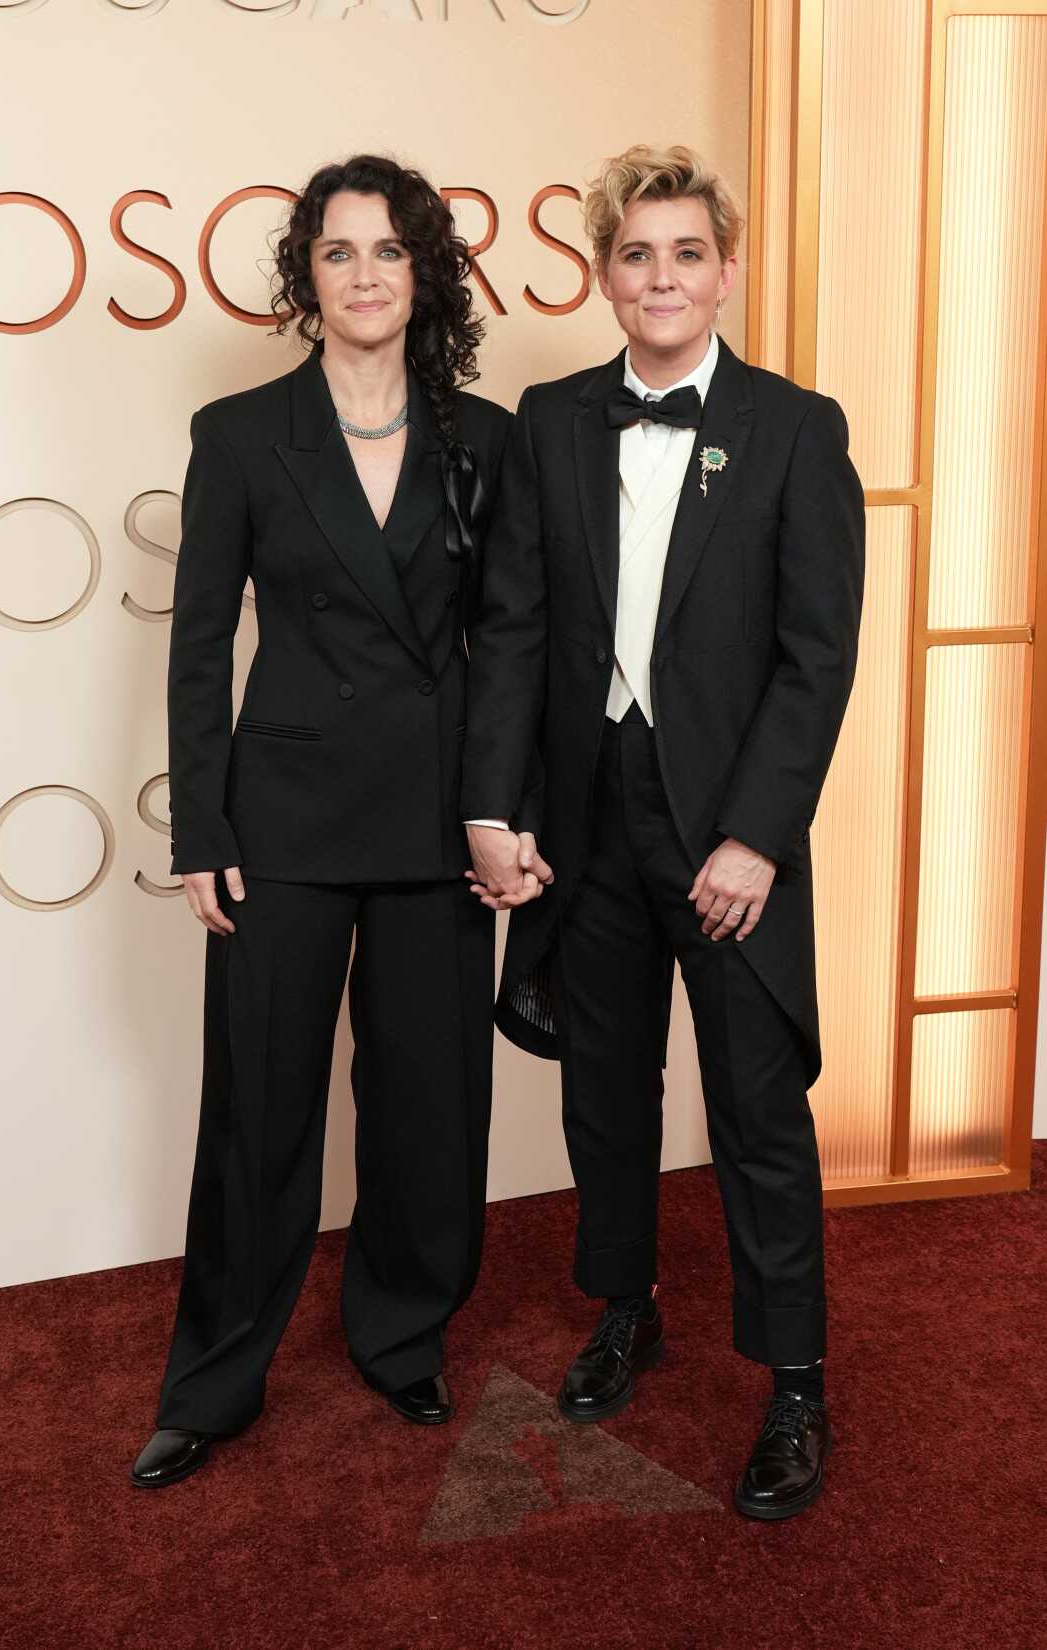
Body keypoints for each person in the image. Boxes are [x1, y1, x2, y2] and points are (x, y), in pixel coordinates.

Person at [461, 144, 865, 1520]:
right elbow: (512, 629)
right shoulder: (550, 418)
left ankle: (795, 1380)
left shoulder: (799, 428)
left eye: (688, 252)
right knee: (606, 1090)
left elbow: (817, 656)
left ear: (726, 269)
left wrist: (756, 833)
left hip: (729, 835)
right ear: (604, 272)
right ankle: (626, 1306)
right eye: (637, 253)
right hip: (588, 820)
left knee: (757, 1108)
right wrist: (497, 806)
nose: (662, 276)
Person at [130, 154, 513, 1489]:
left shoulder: (486, 436)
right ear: (307, 276)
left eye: (388, 251)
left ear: (424, 276)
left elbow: (512, 644)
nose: (363, 274)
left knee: (428, 1104)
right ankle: (217, 1376)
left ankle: (403, 1336)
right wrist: (201, 827)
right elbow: (196, 648)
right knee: (259, 1114)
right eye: (339, 251)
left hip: (436, 827)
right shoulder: (241, 434)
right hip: (282, 821)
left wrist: (501, 809)